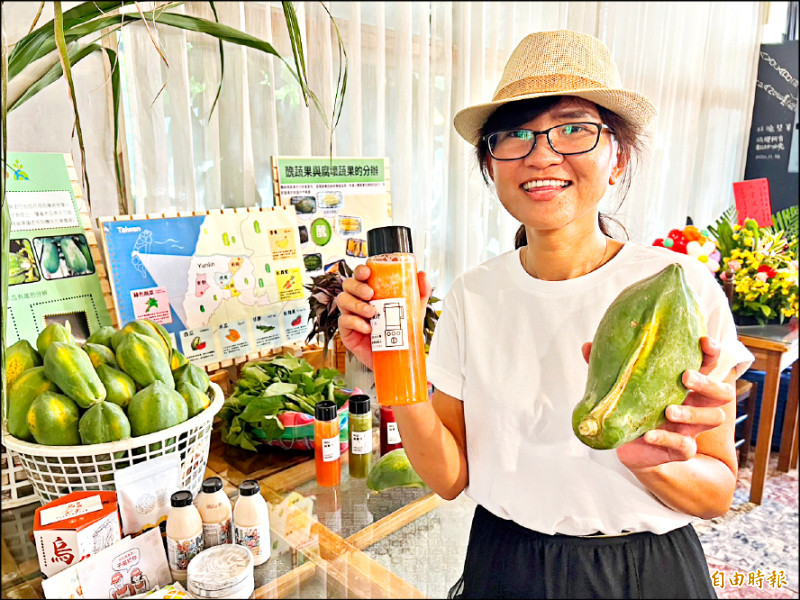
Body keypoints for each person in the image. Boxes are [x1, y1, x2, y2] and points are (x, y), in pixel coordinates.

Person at [335, 29, 754, 599]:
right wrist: (395, 366)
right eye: (514, 135)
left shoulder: (678, 291)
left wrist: (646, 460)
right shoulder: (473, 295)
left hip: (645, 572)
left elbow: (716, 493)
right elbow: (450, 478)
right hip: (506, 563)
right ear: (491, 162)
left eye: (575, 129)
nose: (541, 154)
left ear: (618, 156)